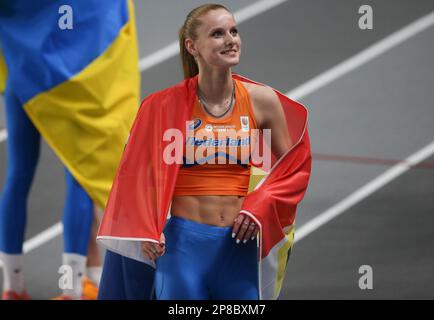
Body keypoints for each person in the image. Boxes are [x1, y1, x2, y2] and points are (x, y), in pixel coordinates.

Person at [97, 3, 311, 300]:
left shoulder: (262, 101)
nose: (230, 39)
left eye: (234, 31)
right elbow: (133, 177)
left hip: (240, 249)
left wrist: (260, 203)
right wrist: (146, 228)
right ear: (192, 46)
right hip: (183, 249)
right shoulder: (161, 106)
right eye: (217, 34)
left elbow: (292, 169)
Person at [0, 0, 139, 300]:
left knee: (18, 174)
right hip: (70, 79)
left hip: (22, 77)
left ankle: (12, 285)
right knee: (79, 174)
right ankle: (73, 289)